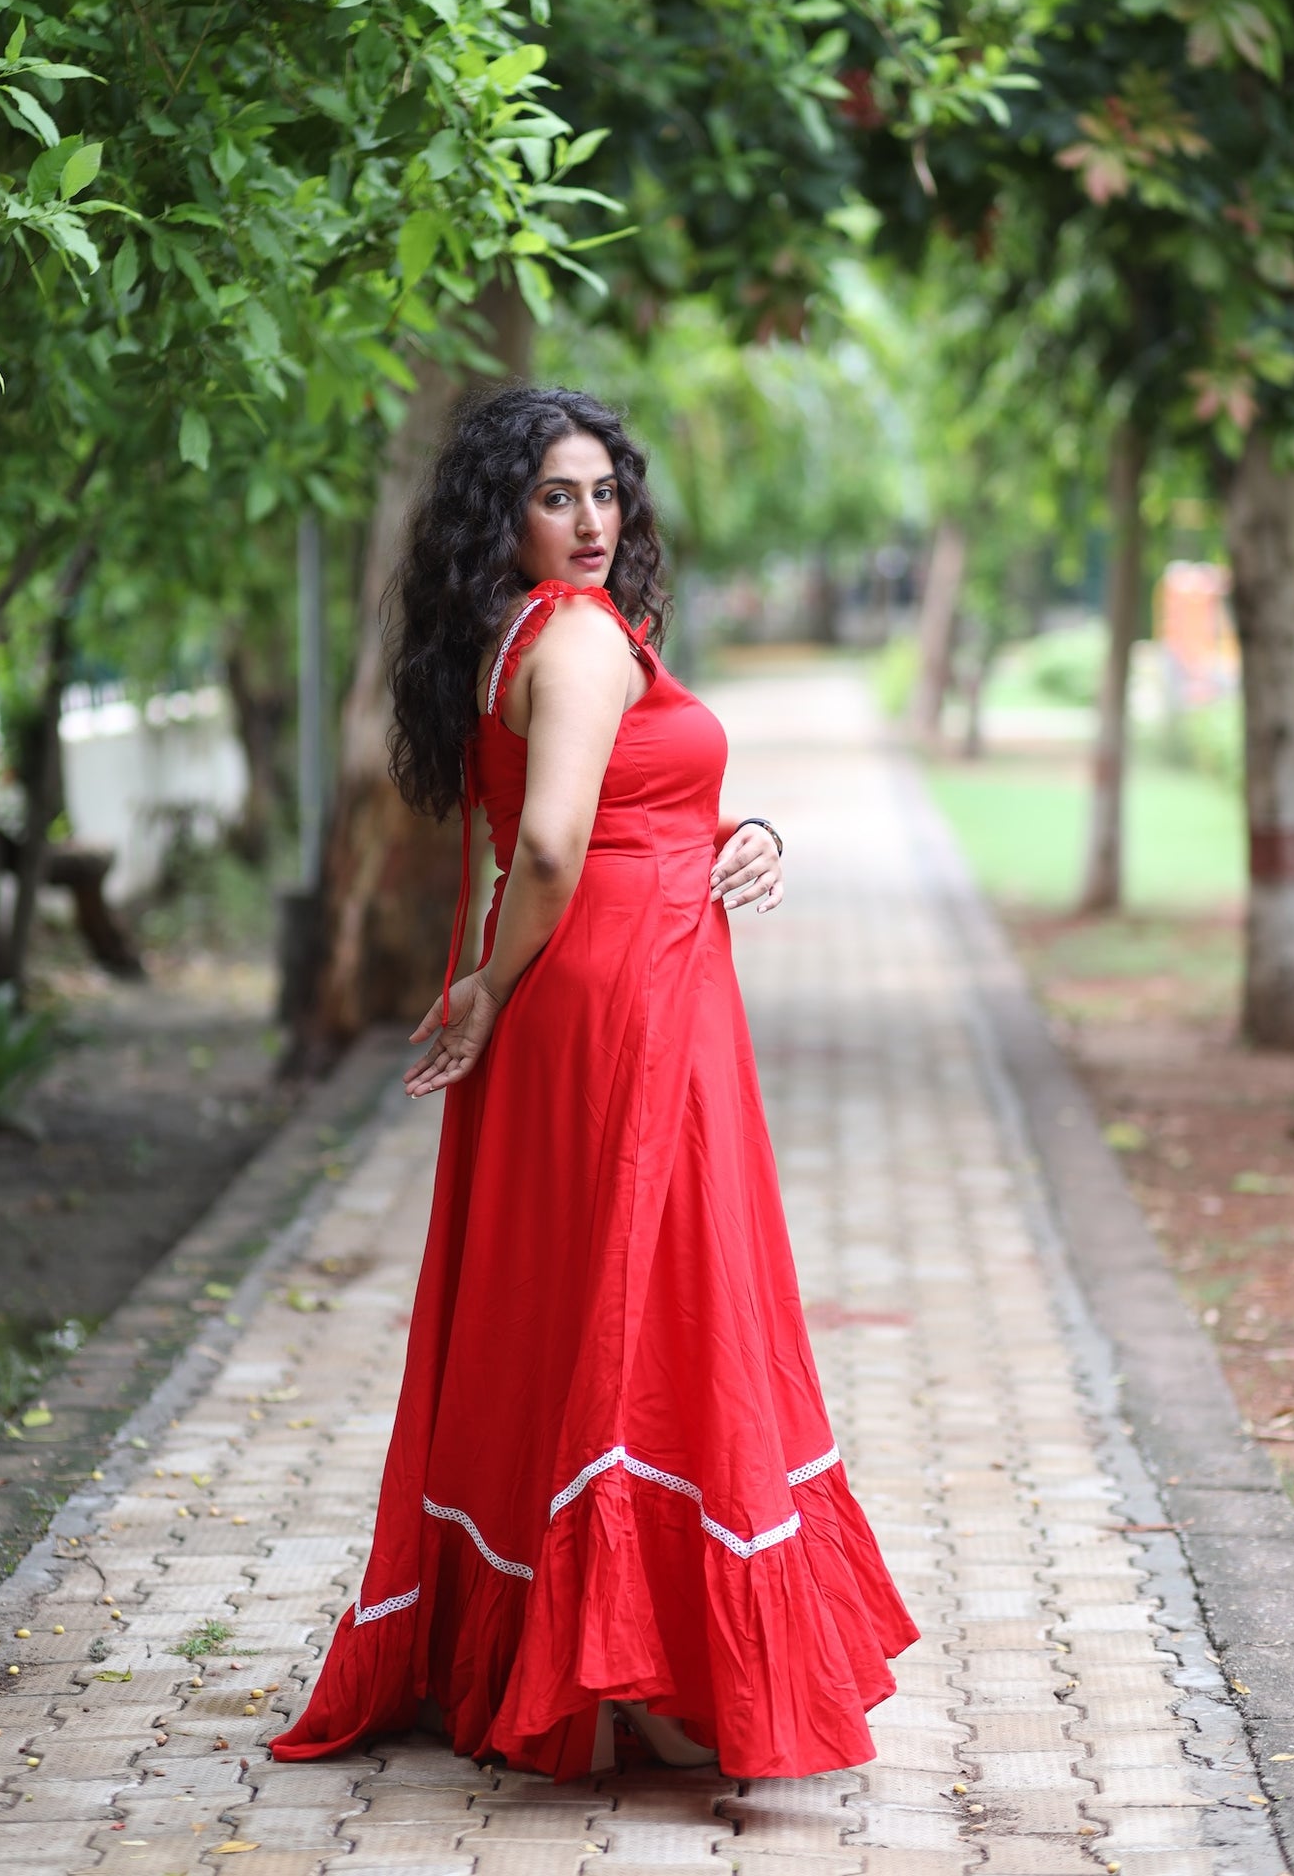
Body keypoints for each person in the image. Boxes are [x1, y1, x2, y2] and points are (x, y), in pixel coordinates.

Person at [271, 387, 917, 1781]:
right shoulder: (572, 639)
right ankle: (636, 1666)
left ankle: (598, 1653)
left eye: (602, 493)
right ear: (501, 520)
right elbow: (555, 849)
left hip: (618, 973)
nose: (587, 521)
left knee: (587, 1300)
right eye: (553, 497)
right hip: (626, 994)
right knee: (657, 1302)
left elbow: (617, 809)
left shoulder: (541, 634)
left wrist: (730, 831)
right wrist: (492, 989)